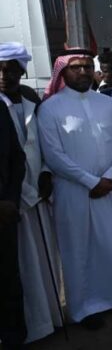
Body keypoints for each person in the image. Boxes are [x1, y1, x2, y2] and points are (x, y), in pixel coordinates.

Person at [38, 49, 112, 329]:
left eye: (87, 67)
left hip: (110, 187)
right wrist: (90, 181)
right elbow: (54, 155)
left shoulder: (108, 103)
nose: (83, 72)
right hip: (73, 191)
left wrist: (107, 176)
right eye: (76, 68)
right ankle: (83, 309)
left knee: (111, 243)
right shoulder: (50, 108)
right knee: (78, 249)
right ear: (63, 72)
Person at [0, 43, 62, 344]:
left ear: (21, 72)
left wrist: (47, 173)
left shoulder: (31, 100)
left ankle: (51, 318)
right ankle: (29, 327)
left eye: (11, 69)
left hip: (39, 193)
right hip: (13, 202)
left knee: (46, 260)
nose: (4, 75)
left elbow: (47, 144)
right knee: (20, 268)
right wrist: (21, 194)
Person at [0, 90, 26, 349]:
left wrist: (10, 200)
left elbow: (17, 158)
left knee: (8, 279)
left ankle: (13, 339)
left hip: (5, 212)